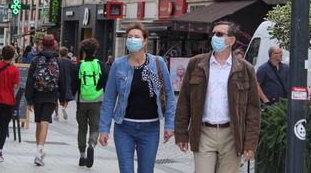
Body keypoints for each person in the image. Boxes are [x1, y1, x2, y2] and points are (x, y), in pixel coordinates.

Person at [175, 20, 261, 173]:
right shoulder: (196, 64)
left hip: (232, 134)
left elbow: (253, 110)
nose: (214, 37)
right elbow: (184, 102)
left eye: (220, 34)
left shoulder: (245, 69)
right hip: (203, 133)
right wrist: (181, 134)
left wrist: (250, 143)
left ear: (231, 40)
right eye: (213, 34)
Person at [99, 22, 176, 173]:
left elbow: (169, 95)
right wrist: (104, 129)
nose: (132, 40)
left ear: (145, 41)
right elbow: (109, 99)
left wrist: (169, 125)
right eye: (130, 37)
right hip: (124, 128)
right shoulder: (118, 65)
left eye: (137, 37)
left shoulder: (158, 63)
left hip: (150, 128)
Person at [25, 34, 69, 166]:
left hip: (38, 94)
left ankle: (39, 150)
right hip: (51, 95)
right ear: (54, 45)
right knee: (45, 122)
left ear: (42, 45)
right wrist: (63, 98)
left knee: (39, 122)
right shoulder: (59, 61)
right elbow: (62, 81)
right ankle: (39, 152)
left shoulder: (36, 60)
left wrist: (29, 100)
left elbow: (30, 81)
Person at [72, 38, 109, 168]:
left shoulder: (79, 65)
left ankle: (82, 156)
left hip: (81, 101)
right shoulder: (100, 64)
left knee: (82, 128)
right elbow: (106, 79)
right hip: (97, 101)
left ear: (83, 51)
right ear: (95, 51)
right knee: (95, 127)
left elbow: (74, 83)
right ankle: (92, 144)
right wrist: (99, 89)